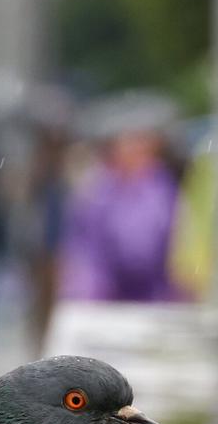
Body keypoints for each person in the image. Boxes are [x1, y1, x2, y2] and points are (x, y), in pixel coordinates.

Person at [60, 98, 182, 303]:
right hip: (106, 295)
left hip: (155, 294)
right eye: (130, 142)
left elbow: (175, 243)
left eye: (142, 142)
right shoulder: (98, 189)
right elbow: (86, 251)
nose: (136, 148)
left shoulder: (163, 186)